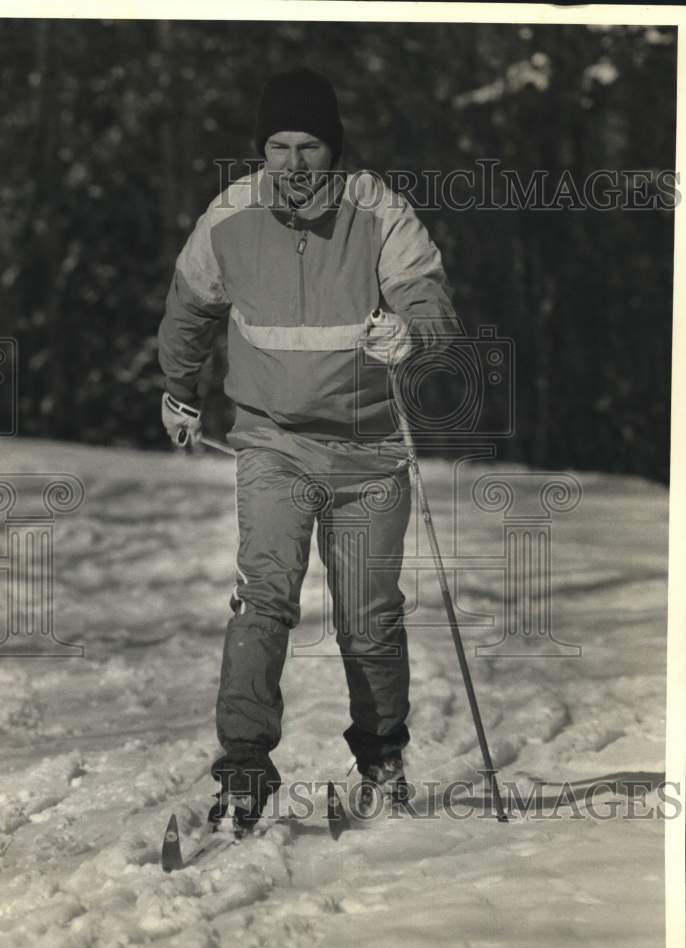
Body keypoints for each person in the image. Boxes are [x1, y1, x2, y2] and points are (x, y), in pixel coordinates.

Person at [158, 67, 460, 831]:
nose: (292, 164)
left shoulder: (378, 212)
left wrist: (412, 332)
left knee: (368, 620)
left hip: (371, 455)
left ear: (335, 148)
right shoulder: (230, 217)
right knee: (264, 598)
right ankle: (245, 769)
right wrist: (180, 389)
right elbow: (190, 306)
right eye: (278, 145)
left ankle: (383, 761)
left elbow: (429, 299)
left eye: (310, 145)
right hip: (273, 443)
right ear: (261, 148)